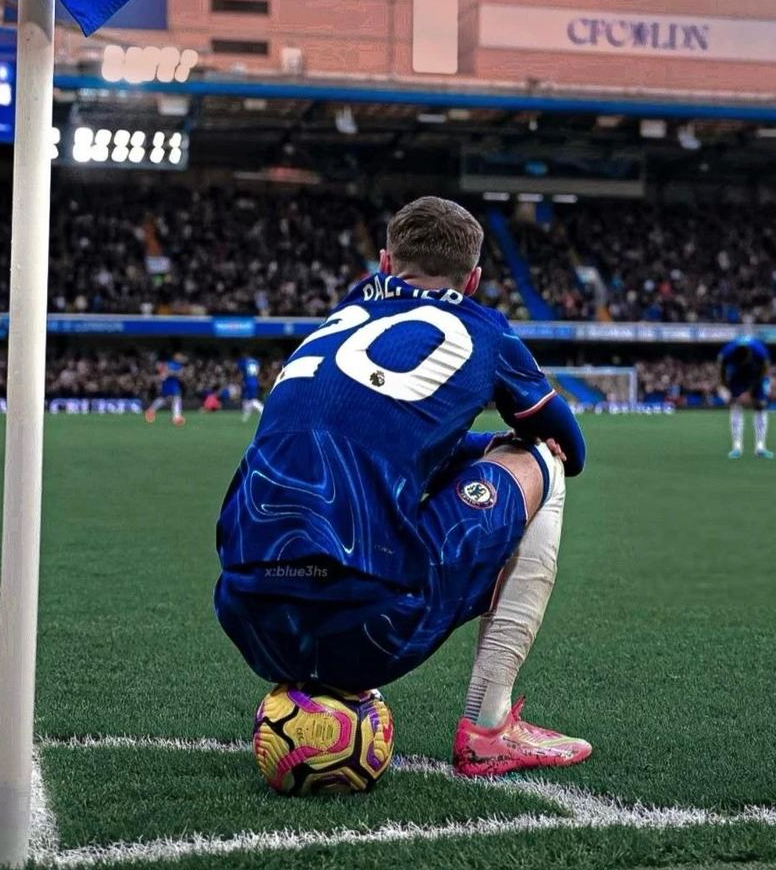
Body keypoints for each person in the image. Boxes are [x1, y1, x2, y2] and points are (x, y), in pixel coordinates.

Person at [214, 196, 589, 778]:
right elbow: (572, 445)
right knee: (543, 459)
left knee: (352, 490)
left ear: (385, 263)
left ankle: (308, 695)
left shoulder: (345, 312)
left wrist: (467, 446)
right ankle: (490, 728)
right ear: (475, 279)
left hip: (246, 616)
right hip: (370, 627)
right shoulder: (484, 329)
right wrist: (490, 442)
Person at [718, 334, 772, 458]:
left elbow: (764, 372)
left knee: (761, 406)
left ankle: (760, 447)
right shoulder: (727, 353)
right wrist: (727, 390)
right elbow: (721, 370)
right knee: (736, 405)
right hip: (737, 376)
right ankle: (737, 447)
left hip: (756, 374)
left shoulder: (760, 352)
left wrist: (749, 393)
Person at [145, 357, 186, 426]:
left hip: (173, 385)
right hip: (168, 385)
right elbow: (163, 374)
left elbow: (179, 374)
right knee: (172, 399)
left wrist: (172, 373)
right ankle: (176, 417)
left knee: (168, 399)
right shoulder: (170, 364)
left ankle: (151, 410)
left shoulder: (177, 365)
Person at [237, 354, 265, 421]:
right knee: (247, 398)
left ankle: (262, 410)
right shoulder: (256, 362)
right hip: (254, 381)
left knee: (251, 399)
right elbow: (258, 371)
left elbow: (241, 371)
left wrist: (242, 380)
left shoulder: (244, 362)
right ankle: (246, 417)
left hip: (248, 381)